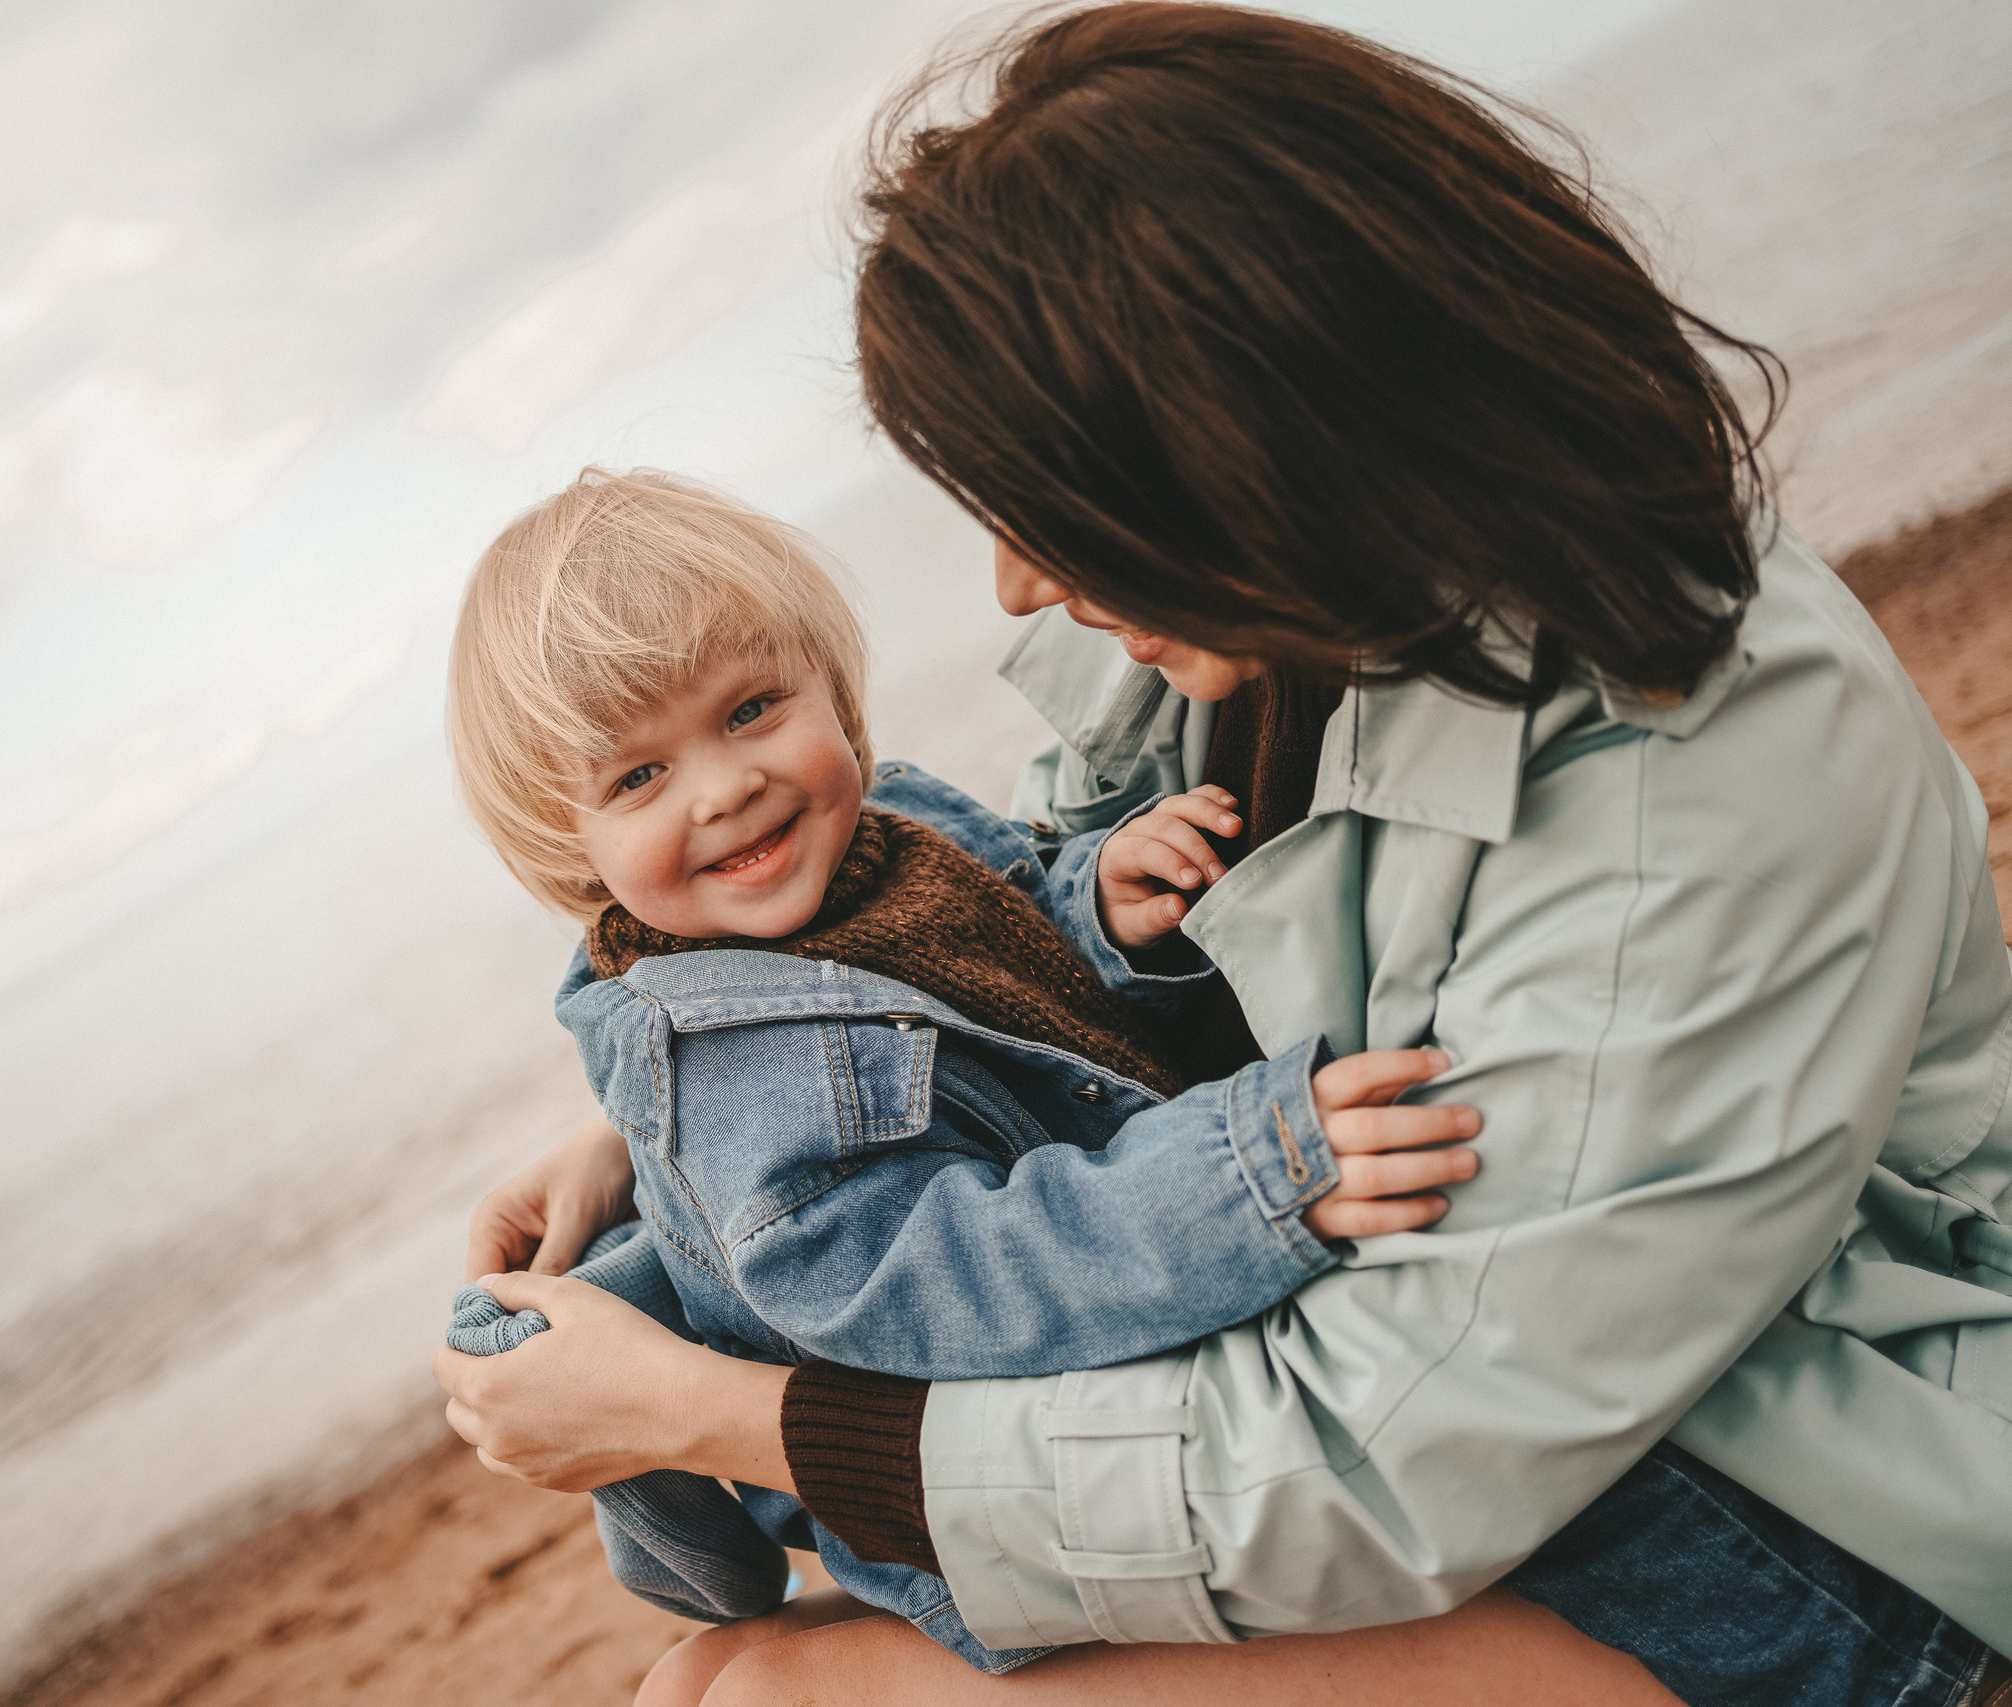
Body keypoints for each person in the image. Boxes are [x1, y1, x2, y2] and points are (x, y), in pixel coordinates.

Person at [433, 7, 2012, 1707]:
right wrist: (676, 1126)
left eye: (1047, 501)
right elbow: (1019, 960)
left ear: (1247, 433)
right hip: (1514, 1469)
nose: (1018, 588)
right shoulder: (1251, 630)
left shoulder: (1691, 785)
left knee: (764, 1697)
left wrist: (710, 1418)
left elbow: (1370, 1459)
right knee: (712, 1668)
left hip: (1812, 1525)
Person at [440, 467, 1490, 1676]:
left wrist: (1095, 906)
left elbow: (1003, 957)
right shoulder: (730, 1079)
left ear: (831, 689)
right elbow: (959, 1273)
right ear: (564, 850)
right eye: (638, 777)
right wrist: (1238, 1183)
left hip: (1127, 1365)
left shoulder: (889, 838)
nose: (727, 787)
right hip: (995, 1516)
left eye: (750, 710)